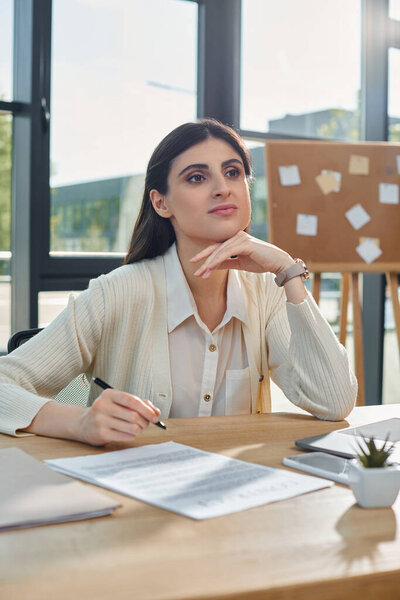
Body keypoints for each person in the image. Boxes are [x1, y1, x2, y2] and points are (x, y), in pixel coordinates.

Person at [0, 119, 357, 446]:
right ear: (161, 203)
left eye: (233, 173)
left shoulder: (266, 290)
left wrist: (286, 270)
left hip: (232, 496)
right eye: (197, 178)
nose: (222, 189)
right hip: (131, 497)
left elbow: (334, 401)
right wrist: (80, 421)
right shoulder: (116, 293)